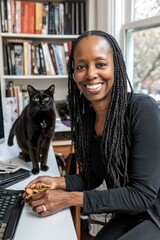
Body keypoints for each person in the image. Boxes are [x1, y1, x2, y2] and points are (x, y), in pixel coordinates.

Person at [23, 30, 160, 240]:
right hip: (130, 213)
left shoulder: (142, 109)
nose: (90, 74)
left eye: (101, 64)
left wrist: (68, 198)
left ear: (116, 67)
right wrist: (57, 182)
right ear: (73, 74)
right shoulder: (87, 117)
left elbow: (142, 194)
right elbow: (93, 177)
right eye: (81, 66)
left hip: (155, 215)